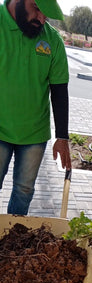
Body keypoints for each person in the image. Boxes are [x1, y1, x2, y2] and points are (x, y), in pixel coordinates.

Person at [0, 0, 71, 215]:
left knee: (24, 191)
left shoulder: (52, 40)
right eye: (38, 10)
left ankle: (10, 241)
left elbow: (59, 90)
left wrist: (62, 137)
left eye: (46, 15)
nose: (42, 19)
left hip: (34, 135)